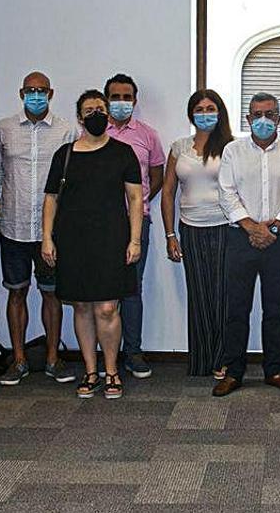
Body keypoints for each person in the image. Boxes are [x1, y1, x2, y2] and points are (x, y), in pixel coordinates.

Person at [41, 90, 144, 399]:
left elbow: (136, 198)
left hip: (112, 239)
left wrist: (135, 240)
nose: (96, 114)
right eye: (89, 110)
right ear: (79, 117)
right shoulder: (65, 154)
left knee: (108, 307)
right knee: (83, 307)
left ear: (108, 113)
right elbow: (50, 199)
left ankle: (111, 371)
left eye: (100, 108)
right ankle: (90, 371)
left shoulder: (123, 152)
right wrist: (47, 238)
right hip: (72, 240)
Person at [212, 92, 280, 397]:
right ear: (248, 118)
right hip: (241, 237)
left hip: (279, 240)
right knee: (237, 309)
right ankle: (234, 372)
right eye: (257, 114)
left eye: (270, 114)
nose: (263, 120)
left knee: (274, 309)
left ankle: (275, 370)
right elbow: (226, 193)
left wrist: (274, 227)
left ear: (279, 118)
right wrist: (253, 227)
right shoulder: (232, 151)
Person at [0, 71, 78, 386]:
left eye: (41, 90)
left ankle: (53, 358)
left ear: (51, 94)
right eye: (30, 90)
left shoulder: (67, 131)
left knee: (52, 295)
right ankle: (19, 359)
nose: (36, 95)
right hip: (12, 226)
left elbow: (72, 178)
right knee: (16, 292)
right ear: (21, 92)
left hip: (50, 232)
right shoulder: (3, 130)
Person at [161, 89, 234, 377]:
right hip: (190, 229)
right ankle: (202, 360)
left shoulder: (231, 146)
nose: (205, 114)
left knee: (222, 297)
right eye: (199, 109)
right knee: (199, 296)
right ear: (191, 114)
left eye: (210, 108)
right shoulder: (179, 147)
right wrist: (170, 235)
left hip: (225, 228)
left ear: (220, 112)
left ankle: (223, 359)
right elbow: (167, 193)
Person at [104, 73, 165, 379]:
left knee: (132, 289)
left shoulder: (148, 135)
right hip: (100, 224)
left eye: (127, 97)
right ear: (105, 101)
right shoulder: (94, 133)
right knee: (102, 290)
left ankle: (134, 352)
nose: (121, 103)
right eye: (115, 97)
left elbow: (157, 174)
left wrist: (139, 203)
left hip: (136, 223)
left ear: (135, 101)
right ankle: (107, 356)